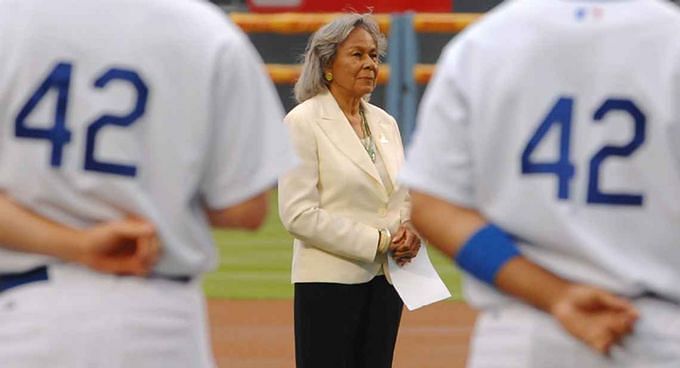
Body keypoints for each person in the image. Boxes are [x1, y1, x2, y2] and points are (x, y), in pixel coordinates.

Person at [0, 0, 297, 366]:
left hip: (21, 316)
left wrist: (78, 244)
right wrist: (159, 188)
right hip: (159, 323)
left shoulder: (10, 18)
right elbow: (244, 208)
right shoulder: (207, 31)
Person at [399, 0, 680, 367]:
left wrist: (556, 296)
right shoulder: (671, 37)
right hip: (658, 331)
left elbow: (431, 202)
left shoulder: (484, 43)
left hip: (520, 332)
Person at [278, 13, 421, 368]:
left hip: (387, 280)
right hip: (329, 281)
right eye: (357, 55)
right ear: (327, 64)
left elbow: (404, 193)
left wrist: (410, 228)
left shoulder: (385, 122)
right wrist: (379, 241)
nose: (370, 64)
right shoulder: (302, 122)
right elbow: (297, 215)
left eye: (374, 55)